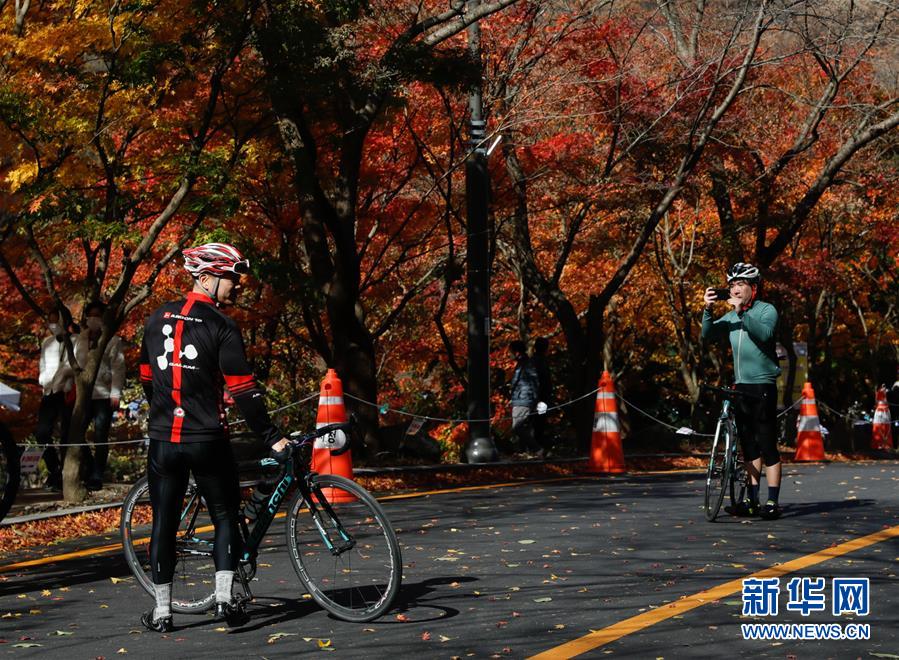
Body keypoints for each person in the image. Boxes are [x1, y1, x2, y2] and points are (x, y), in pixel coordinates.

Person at [138, 242, 290, 632]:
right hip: (206, 438)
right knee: (224, 515)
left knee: (163, 523)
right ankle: (224, 602)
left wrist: (164, 412)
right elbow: (243, 390)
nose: (237, 286)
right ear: (205, 277)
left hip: (163, 441)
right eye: (231, 278)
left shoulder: (156, 318)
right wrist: (272, 436)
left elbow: (145, 379)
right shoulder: (222, 326)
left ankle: (162, 613)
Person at [702, 262, 783, 520]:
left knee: (767, 442)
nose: (735, 289)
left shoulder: (765, 310)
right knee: (749, 446)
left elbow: (765, 334)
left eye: (740, 285)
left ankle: (772, 501)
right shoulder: (729, 317)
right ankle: (751, 499)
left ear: (753, 288)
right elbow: (707, 334)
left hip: (763, 384)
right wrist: (707, 308)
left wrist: (741, 313)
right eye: (732, 285)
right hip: (741, 385)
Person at [74, 301, 125, 491]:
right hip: (83, 394)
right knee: (76, 433)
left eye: (98, 315)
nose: (94, 318)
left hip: (103, 395)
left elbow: (118, 369)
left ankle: (96, 475)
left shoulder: (112, 340)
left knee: (100, 436)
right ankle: (88, 467)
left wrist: (115, 393)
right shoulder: (81, 338)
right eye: (91, 315)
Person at [36, 308, 75, 491]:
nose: (53, 324)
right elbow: (42, 365)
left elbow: (72, 367)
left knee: (68, 434)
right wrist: (44, 380)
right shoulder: (47, 342)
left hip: (66, 392)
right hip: (48, 392)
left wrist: (60, 382)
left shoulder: (75, 341)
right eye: (50, 320)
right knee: (42, 433)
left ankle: (70, 473)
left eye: (55, 320)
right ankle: (54, 468)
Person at [508, 340, 540, 455]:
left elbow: (534, 382)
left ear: (516, 352)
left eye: (510, 351)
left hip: (524, 399)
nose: (509, 354)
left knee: (518, 427)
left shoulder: (527, 364)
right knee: (524, 428)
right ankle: (525, 452)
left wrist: (535, 400)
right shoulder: (522, 363)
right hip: (520, 399)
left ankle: (537, 450)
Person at [532, 337, 554, 457]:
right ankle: (538, 449)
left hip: (535, 397)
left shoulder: (534, 361)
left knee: (537, 423)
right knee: (539, 424)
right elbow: (545, 381)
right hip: (540, 397)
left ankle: (536, 448)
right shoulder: (541, 362)